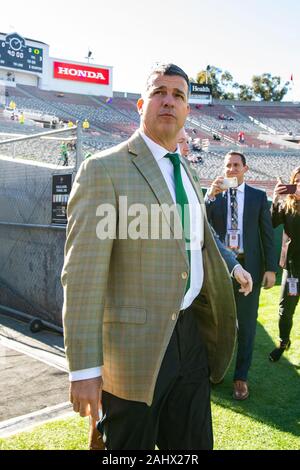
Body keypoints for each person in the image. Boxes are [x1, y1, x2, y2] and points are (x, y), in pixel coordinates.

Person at [62, 63, 253, 450]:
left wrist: (232, 266)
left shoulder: (185, 171)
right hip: (133, 350)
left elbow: (200, 237)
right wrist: (84, 369)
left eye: (178, 95)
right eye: (159, 92)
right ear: (140, 104)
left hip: (191, 336)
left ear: (187, 111)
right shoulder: (103, 170)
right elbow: (82, 276)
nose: (169, 101)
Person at [205, 151, 277, 400]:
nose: (232, 169)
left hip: (251, 267)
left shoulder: (258, 196)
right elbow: (199, 224)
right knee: (215, 323)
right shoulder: (215, 195)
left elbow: (267, 234)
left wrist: (270, 269)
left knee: (246, 326)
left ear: (246, 169)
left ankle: (240, 378)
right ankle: (215, 371)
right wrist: (208, 196)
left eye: (237, 165)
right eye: (228, 165)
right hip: (221, 268)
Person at [269, 167, 300, 361]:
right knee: (285, 310)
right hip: (294, 269)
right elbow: (272, 222)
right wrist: (276, 198)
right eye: (296, 180)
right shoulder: (287, 205)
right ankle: (283, 341)